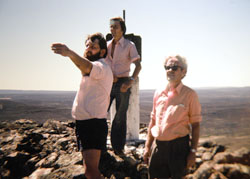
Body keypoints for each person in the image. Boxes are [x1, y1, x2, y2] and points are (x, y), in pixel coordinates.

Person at [51, 33, 113, 179]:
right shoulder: (96, 68)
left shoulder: (101, 67)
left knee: (91, 171)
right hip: (85, 123)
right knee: (89, 169)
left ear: (102, 51)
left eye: (93, 47)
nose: (88, 49)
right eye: (87, 46)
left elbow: (86, 66)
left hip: (93, 124)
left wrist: (69, 53)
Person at [143, 55, 202, 179]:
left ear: (183, 72)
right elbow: (153, 121)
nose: (170, 70)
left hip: (179, 148)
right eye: (167, 67)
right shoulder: (158, 93)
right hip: (158, 146)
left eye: (175, 67)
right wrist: (148, 147)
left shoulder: (190, 95)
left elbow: (195, 125)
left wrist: (193, 151)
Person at [105, 17, 142, 155]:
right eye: (111, 27)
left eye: (115, 27)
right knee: (100, 114)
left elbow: (138, 65)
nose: (112, 29)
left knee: (120, 117)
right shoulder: (107, 45)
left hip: (123, 84)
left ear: (122, 29)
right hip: (107, 84)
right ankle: (99, 146)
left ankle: (118, 148)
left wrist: (130, 81)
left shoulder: (129, 45)